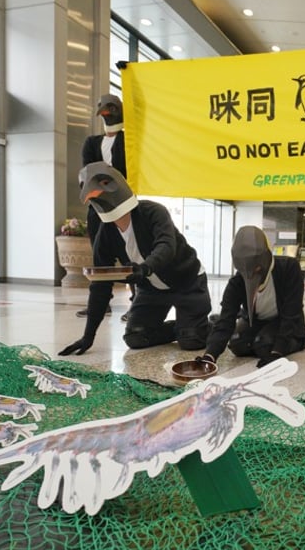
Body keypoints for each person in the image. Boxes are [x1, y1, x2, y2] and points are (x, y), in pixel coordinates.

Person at [59, 163, 211, 356]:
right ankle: (184, 328)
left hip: (187, 282)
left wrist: (145, 268)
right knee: (136, 337)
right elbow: (100, 285)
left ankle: (202, 328)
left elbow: (166, 247)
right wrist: (88, 336)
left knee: (192, 341)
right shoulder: (106, 233)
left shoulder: (153, 212)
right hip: (152, 289)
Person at [196, 226, 305, 369]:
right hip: (257, 321)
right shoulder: (237, 282)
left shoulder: (289, 268)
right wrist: (209, 356)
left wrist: (277, 352)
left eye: (256, 269)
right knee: (237, 344)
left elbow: (292, 312)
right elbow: (226, 320)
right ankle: (261, 339)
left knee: (264, 345)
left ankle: (301, 338)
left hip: (283, 320)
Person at [77, 93, 130, 319]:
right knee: (100, 256)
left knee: (129, 253)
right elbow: (89, 173)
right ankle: (99, 303)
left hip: (123, 207)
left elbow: (127, 173)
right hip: (98, 208)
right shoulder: (92, 143)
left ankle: (138, 302)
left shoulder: (128, 141)